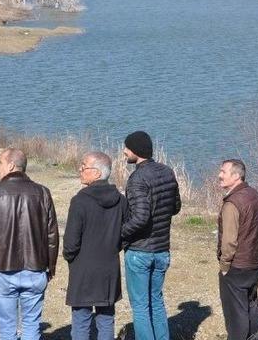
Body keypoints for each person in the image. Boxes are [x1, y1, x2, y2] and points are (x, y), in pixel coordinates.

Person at [0, 148, 58, 340]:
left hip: (1, 269)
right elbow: (52, 235)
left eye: (0, 162)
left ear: (11, 165)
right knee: (32, 325)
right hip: (35, 268)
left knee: (7, 327)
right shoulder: (42, 192)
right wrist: (51, 267)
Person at [120, 131, 181, 340]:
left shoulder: (137, 178)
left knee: (140, 306)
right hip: (162, 250)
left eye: (126, 148)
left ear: (136, 151)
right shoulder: (167, 172)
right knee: (156, 300)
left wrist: (119, 235)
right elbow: (175, 207)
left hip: (140, 251)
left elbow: (140, 218)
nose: (124, 152)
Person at [63, 152, 128, 340]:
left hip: (83, 268)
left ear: (97, 173)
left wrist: (70, 257)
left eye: (84, 167)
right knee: (106, 319)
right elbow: (127, 231)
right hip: (109, 268)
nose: (80, 170)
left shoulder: (80, 201)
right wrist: (115, 246)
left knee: (81, 321)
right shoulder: (121, 200)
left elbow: (70, 242)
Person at [217, 159, 258, 340]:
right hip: (256, 262)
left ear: (236, 176)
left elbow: (229, 241)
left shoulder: (232, 203)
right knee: (250, 303)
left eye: (223, 172)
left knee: (235, 314)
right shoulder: (255, 195)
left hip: (238, 266)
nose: (219, 175)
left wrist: (224, 266)